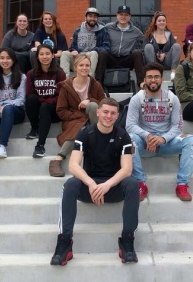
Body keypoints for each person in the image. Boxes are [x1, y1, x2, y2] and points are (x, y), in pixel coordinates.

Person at [50, 97, 138, 266]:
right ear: (97, 112)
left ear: (117, 115)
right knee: (70, 184)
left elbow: (127, 169)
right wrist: (91, 184)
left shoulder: (122, 136)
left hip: (112, 187)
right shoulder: (85, 133)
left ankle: (127, 240)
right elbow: (73, 165)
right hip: (89, 187)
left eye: (113, 113)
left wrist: (107, 185)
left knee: (133, 184)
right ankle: (64, 242)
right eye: (105, 112)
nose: (108, 116)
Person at [126, 63, 193, 202]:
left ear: (162, 79)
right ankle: (140, 184)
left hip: (167, 143)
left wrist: (163, 138)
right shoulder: (137, 99)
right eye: (149, 77)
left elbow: (178, 126)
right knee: (129, 139)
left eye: (156, 77)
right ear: (144, 80)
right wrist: (147, 136)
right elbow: (130, 125)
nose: (153, 80)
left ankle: (182, 185)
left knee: (191, 139)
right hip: (145, 144)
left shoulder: (172, 98)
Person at [51, 54, 106, 177]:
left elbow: (104, 103)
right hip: (73, 119)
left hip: (93, 119)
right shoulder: (66, 86)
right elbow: (61, 111)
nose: (84, 68)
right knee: (80, 128)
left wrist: (90, 100)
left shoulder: (95, 84)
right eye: (81, 65)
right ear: (75, 67)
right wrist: (77, 116)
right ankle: (57, 160)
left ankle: (96, 138)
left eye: (87, 65)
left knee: (93, 106)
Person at [25, 44, 66, 158]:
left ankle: (40, 145)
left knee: (45, 107)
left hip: (54, 109)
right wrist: (43, 101)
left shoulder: (60, 73)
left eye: (47, 54)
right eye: (41, 54)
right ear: (37, 57)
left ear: (53, 55)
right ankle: (34, 128)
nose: (45, 57)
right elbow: (29, 94)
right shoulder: (31, 74)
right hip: (40, 107)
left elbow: (61, 96)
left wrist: (47, 102)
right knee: (30, 99)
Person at [95, 5, 144, 87]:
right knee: (103, 53)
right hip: (111, 59)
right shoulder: (108, 27)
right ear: (117, 15)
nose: (123, 17)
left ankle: (141, 83)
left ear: (129, 16)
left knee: (137, 53)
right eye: (121, 14)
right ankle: (98, 83)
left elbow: (145, 41)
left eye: (126, 15)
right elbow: (96, 33)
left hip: (126, 60)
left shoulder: (136, 31)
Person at [60, 7, 110, 77]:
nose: (92, 18)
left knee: (94, 53)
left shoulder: (102, 30)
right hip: (78, 58)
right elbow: (72, 46)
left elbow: (106, 47)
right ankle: (65, 80)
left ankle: (89, 79)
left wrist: (93, 50)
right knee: (65, 53)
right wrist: (73, 50)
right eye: (90, 16)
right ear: (85, 17)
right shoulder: (78, 30)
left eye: (95, 16)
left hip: (91, 58)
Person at [143, 10, 181, 81]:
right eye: (159, 21)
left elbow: (173, 50)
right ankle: (153, 72)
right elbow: (145, 50)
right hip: (154, 62)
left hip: (167, 62)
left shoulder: (169, 34)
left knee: (177, 46)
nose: (162, 22)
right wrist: (157, 54)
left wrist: (165, 54)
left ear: (166, 23)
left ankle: (173, 73)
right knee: (148, 46)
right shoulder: (149, 35)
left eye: (164, 21)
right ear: (155, 23)